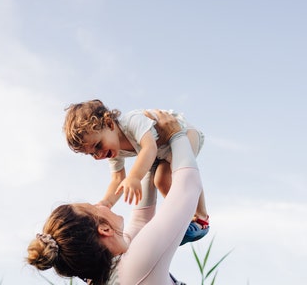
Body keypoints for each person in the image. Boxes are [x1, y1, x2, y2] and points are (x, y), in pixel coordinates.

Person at [27, 110, 202, 284]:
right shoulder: (136, 266)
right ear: (104, 230)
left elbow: (141, 221)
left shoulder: (110, 272)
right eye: (95, 207)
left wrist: (151, 161)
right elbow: (187, 189)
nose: (103, 204)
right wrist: (176, 135)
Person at [62, 99, 209, 244]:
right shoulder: (114, 151)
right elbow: (117, 178)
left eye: (98, 146)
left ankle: (201, 217)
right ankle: (184, 218)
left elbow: (149, 148)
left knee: (174, 175)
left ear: (109, 124)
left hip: (183, 132)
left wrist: (134, 177)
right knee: (160, 180)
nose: (98, 155)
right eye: (92, 154)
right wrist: (106, 203)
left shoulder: (132, 121)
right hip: (164, 149)